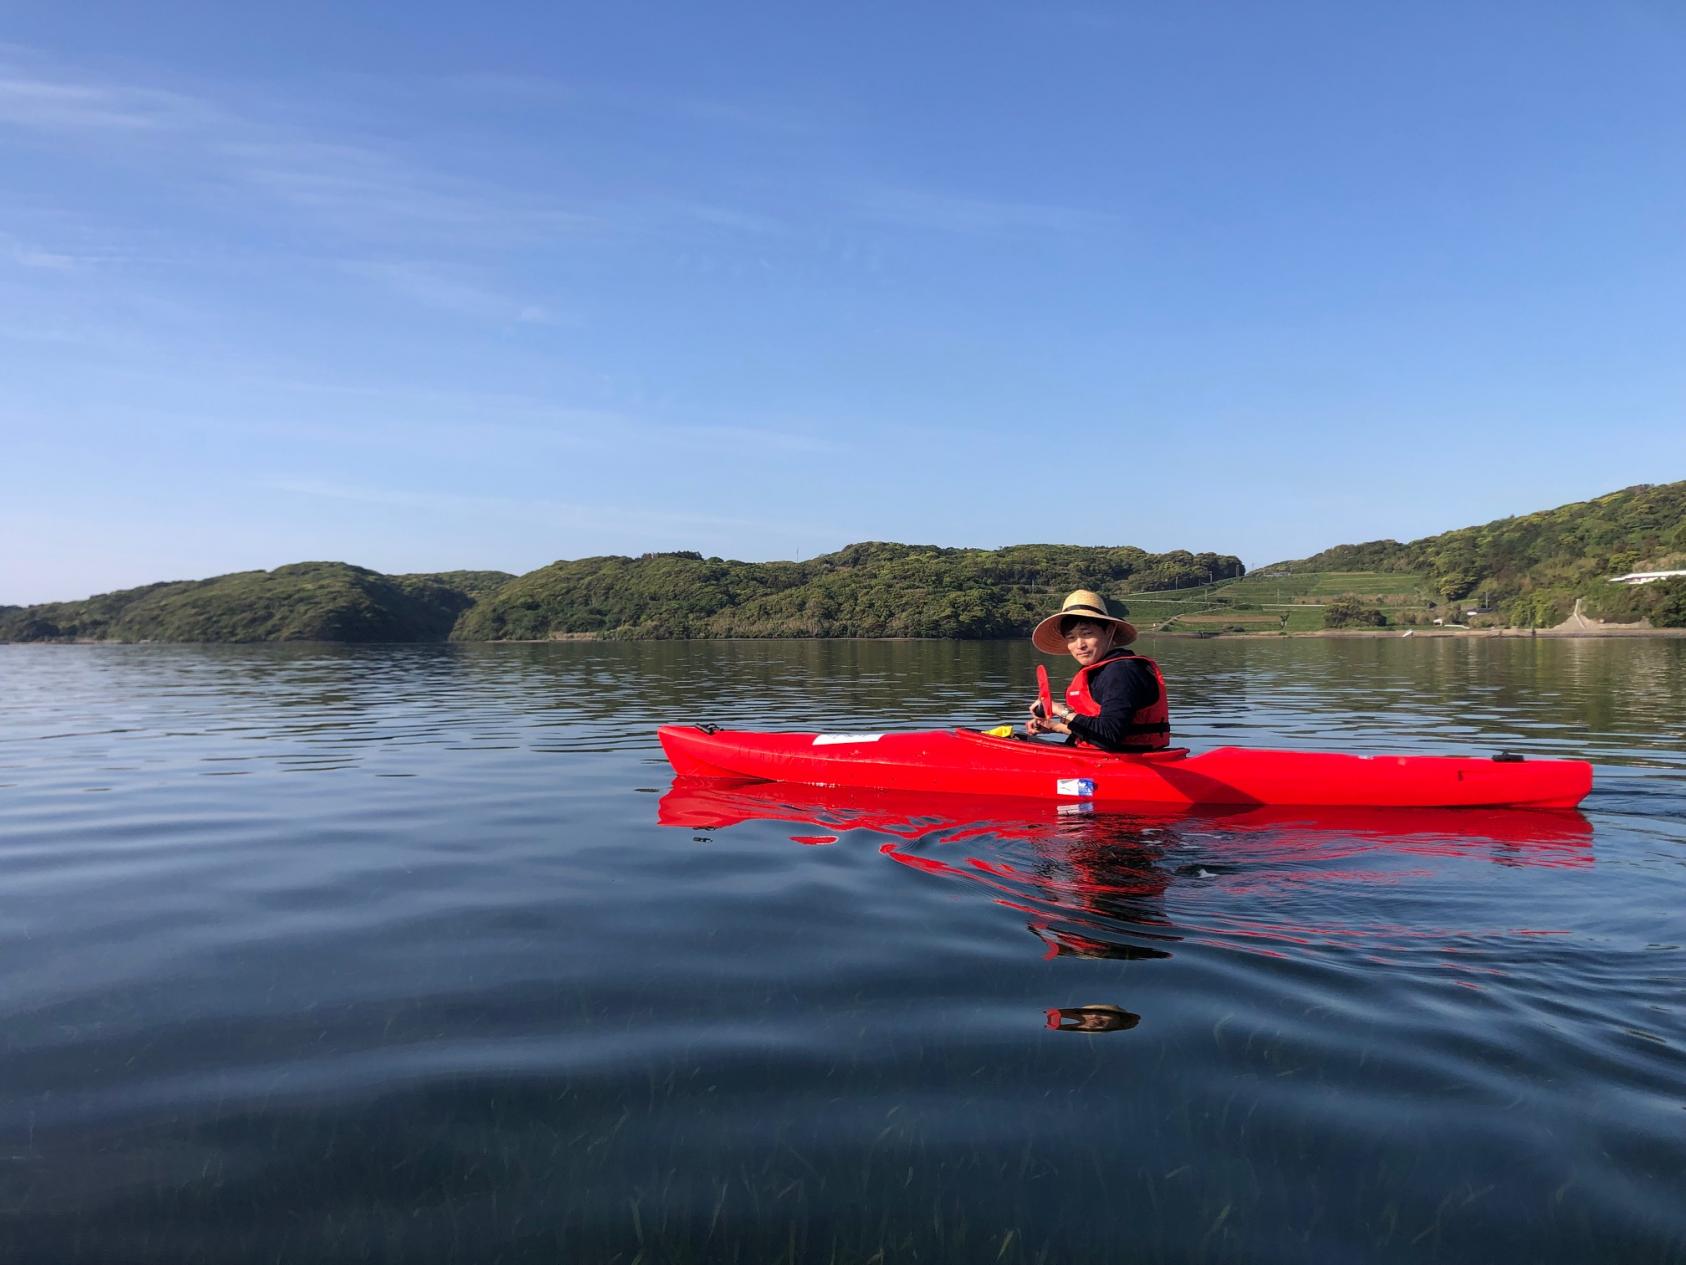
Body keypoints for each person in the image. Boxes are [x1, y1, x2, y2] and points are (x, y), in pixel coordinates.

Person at [1025, 589, 1171, 751]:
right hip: (1099, 757)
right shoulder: (1102, 669)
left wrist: (1059, 710)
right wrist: (1053, 726)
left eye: (1087, 634)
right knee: (1016, 738)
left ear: (1109, 631)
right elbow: (1098, 732)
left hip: (1126, 764)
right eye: (1071, 638)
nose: (1079, 645)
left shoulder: (1121, 671)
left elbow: (1108, 735)